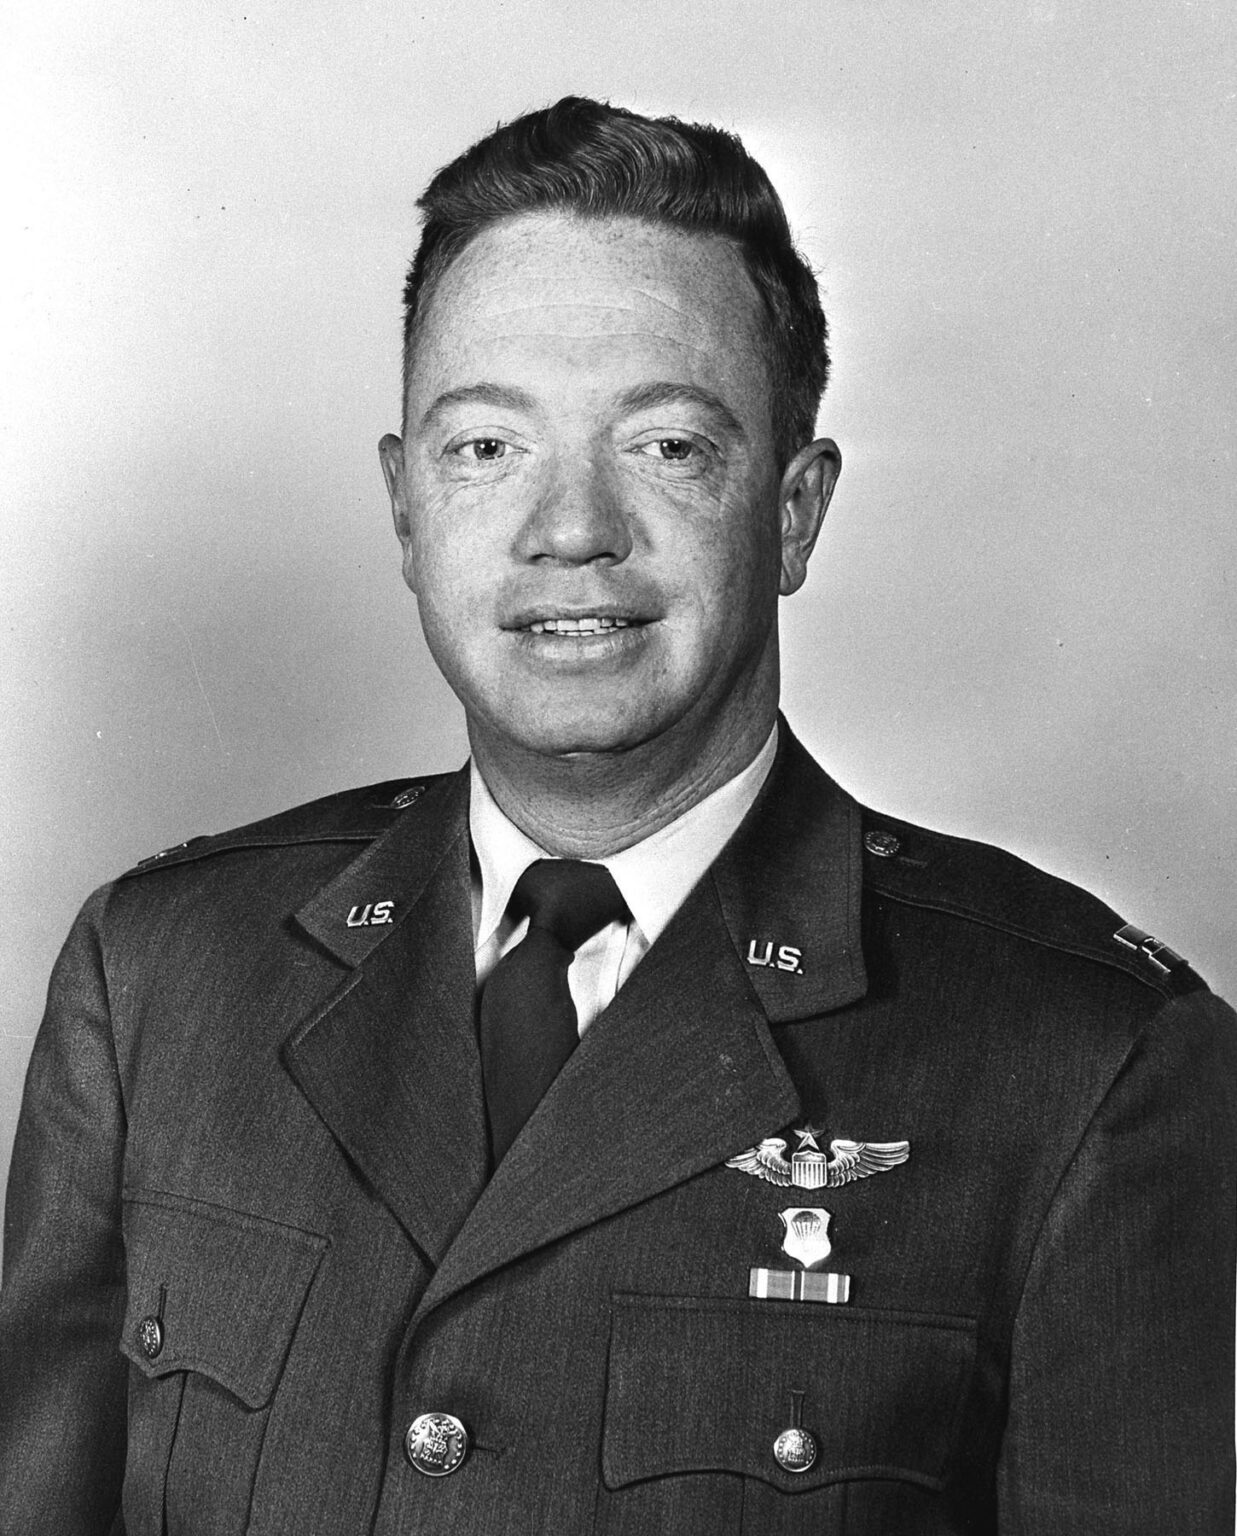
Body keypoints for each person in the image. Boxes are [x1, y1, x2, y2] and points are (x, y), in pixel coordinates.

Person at [0, 95, 1233, 1536]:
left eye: (666, 447)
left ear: (793, 511)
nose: (570, 528)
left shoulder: (1088, 1064)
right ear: (404, 510)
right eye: (485, 448)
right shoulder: (159, 977)